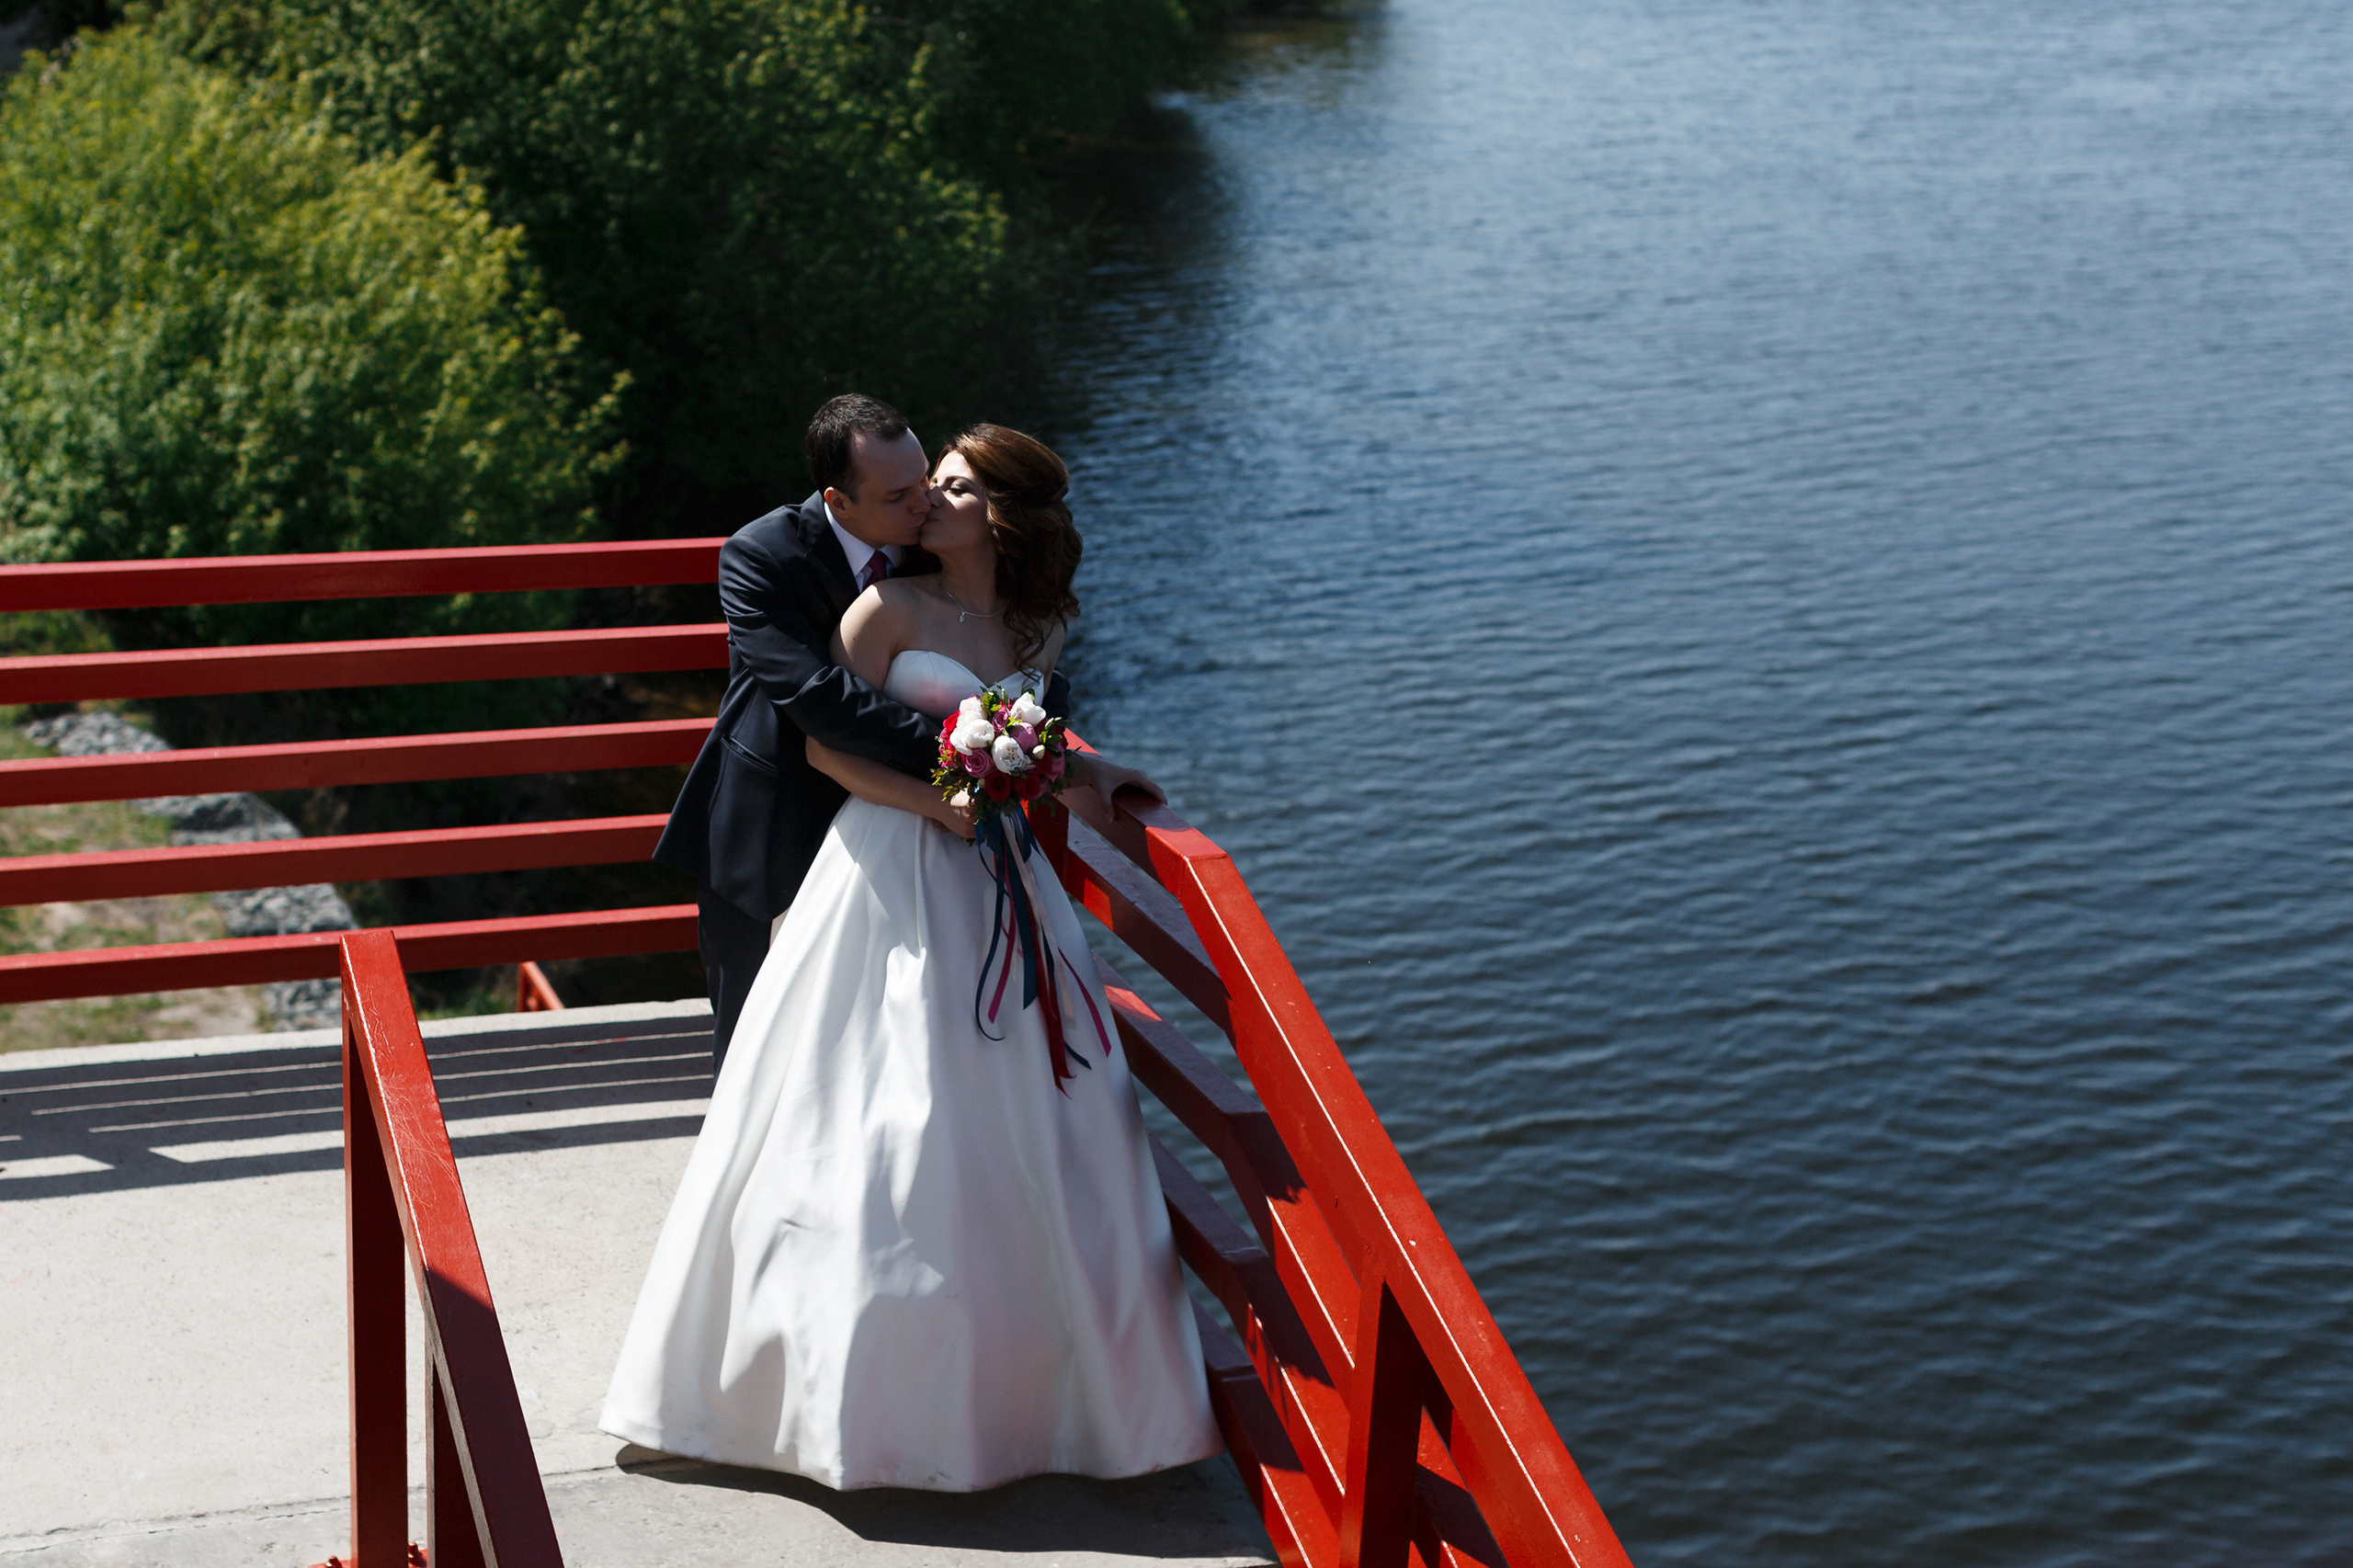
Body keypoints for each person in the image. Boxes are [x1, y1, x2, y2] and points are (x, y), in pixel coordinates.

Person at [602, 425, 1221, 1491]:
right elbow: (830, 744)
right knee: (878, 1108)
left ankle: (1042, 1392)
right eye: (925, 481)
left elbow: (1034, 728)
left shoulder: (1043, 620)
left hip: (999, 868)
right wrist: (942, 806)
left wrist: (1090, 767)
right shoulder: (883, 608)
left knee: (1033, 1112)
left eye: (953, 484)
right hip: (891, 853)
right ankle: (838, 1395)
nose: (930, 497)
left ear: (1003, 513)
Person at [652, 394, 1150, 1069]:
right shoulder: (765, 556)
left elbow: (1018, 688)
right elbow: (816, 698)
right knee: (756, 1035)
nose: (923, 502)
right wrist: (978, 750)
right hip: (780, 809)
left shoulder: (932, 553)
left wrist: (1070, 763)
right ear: (840, 500)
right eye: (904, 493)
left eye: (930, 481)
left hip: (944, 840)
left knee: (934, 1037)